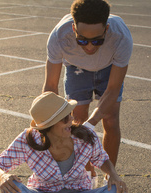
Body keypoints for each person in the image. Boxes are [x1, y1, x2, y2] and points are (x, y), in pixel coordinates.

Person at [43, 0, 133, 171]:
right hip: (77, 68)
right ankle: (87, 176)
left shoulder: (121, 36)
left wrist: (92, 123)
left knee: (111, 120)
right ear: (73, 29)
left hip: (109, 67)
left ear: (106, 30)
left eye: (97, 41)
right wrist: (48, 122)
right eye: (82, 41)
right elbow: (50, 86)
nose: (90, 47)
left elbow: (113, 89)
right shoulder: (59, 36)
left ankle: (110, 176)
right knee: (77, 122)